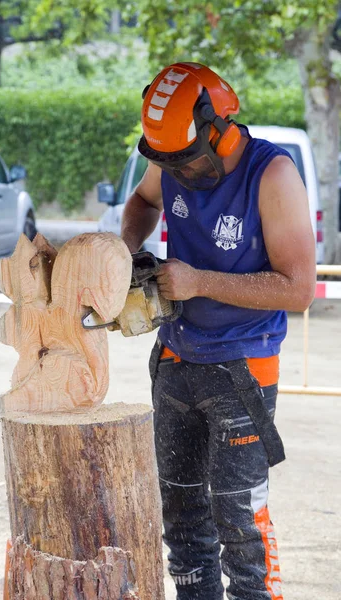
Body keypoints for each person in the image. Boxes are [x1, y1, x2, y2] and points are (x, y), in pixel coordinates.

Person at [121, 62, 316, 600]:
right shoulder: (172, 158)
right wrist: (128, 251)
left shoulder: (272, 176)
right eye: (170, 162)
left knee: (241, 531)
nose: (180, 172)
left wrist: (198, 281)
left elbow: (299, 289)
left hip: (242, 371)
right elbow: (141, 202)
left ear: (219, 127)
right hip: (176, 363)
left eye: (186, 159)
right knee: (183, 528)